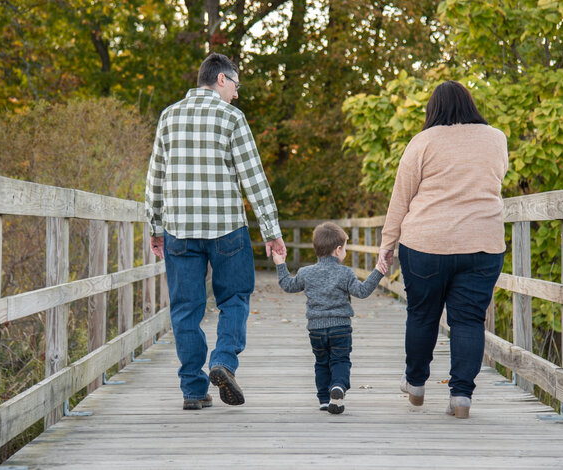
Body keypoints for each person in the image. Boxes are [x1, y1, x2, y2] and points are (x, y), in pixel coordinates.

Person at [145, 52, 286, 410]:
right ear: (221, 79)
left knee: (185, 309)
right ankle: (222, 361)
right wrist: (271, 231)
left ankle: (193, 390)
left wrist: (155, 226)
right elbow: (254, 178)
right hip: (227, 229)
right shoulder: (231, 117)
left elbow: (155, 177)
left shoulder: (168, 116)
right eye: (236, 85)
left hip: (179, 229)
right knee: (235, 299)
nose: (237, 94)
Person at [377, 80, 508, 419]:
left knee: (422, 314)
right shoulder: (496, 138)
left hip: (425, 244)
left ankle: (416, 384)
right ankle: (461, 396)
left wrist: (386, 246)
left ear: (433, 108)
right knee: (468, 320)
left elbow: (400, 199)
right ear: (470, 104)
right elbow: (496, 181)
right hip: (483, 242)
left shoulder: (422, 142)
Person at [273, 222, 388, 414]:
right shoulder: (345, 273)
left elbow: (287, 285)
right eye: (345, 249)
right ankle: (338, 388)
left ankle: (325, 400)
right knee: (340, 360)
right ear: (338, 250)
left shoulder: (306, 272)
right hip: (341, 327)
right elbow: (362, 291)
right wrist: (378, 271)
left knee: (321, 362)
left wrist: (280, 264)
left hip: (316, 329)